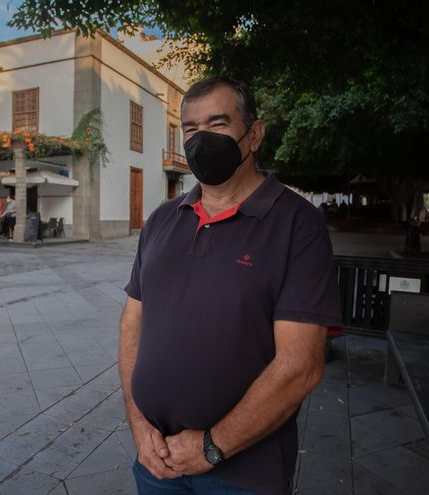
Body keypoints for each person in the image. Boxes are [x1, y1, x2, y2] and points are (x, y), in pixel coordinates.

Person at [121, 76, 341, 495]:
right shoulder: (162, 220)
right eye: (190, 129)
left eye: (218, 125)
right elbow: (132, 324)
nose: (201, 140)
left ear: (254, 134)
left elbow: (301, 366)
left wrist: (212, 447)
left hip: (242, 476)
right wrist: (138, 424)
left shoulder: (298, 225)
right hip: (155, 461)